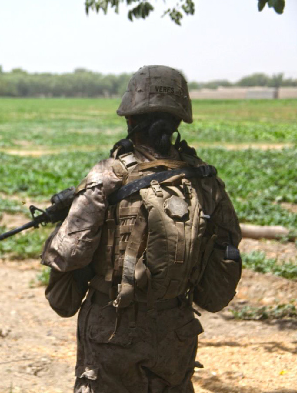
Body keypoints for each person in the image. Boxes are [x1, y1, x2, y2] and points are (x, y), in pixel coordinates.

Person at [40, 65, 242, 392]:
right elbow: (227, 247)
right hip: (176, 330)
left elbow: (68, 255)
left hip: (111, 330)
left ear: (130, 120)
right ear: (178, 121)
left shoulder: (108, 174)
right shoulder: (206, 181)